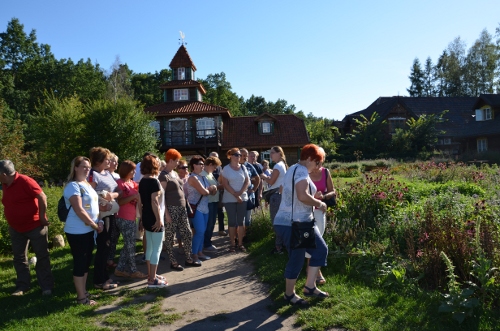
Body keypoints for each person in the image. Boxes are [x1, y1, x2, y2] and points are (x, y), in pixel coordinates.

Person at [273, 144, 329, 306]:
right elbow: (302, 196)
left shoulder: (293, 169)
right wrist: (319, 202)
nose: (319, 167)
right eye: (318, 163)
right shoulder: (302, 172)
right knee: (297, 259)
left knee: (320, 249)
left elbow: (290, 192)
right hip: (293, 224)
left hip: (299, 222)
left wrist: (312, 197)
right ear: (310, 159)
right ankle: (289, 294)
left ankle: (310, 287)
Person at [0, 160, 54, 296]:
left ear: (4, 174)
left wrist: (42, 216)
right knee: (19, 258)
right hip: (16, 228)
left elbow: (42, 196)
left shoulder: (25, 181)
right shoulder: (5, 183)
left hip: (35, 226)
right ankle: (22, 286)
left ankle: (46, 286)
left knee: (42, 256)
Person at [63, 156, 102, 305]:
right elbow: (79, 210)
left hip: (89, 230)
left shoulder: (86, 184)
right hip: (77, 231)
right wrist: (94, 225)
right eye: (84, 166)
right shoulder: (73, 186)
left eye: (89, 167)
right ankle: (81, 298)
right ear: (76, 168)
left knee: (86, 262)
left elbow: (93, 207)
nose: (87, 169)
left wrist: (98, 222)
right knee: (80, 263)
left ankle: (84, 292)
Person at [159, 149, 198, 269]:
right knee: (170, 237)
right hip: (171, 209)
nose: (178, 164)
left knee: (186, 233)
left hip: (181, 208)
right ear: (170, 160)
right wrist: (166, 214)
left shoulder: (174, 174)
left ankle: (188, 258)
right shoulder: (163, 175)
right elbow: (162, 196)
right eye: (176, 161)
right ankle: (173, 261)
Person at [88, 147, 120, 290]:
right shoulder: (93, 175)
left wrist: (112, 196)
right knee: (103, 246)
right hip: (101, 216)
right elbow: (88, 196)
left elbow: (118, 190)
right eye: (107, 159)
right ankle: (99, 280)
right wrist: (100, 207)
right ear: (99, 160)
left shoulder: (107, 173)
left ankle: (104, 276)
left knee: (108, 245)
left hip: (111, 213)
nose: (110, 161)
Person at [114, 160, 148, 279]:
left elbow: (140, 200)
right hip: (122, 216)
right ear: (126, 170)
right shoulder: (119, 183)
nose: (135, 172)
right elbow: (120, 202)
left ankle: (120, 269)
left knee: (128, 244)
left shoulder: (133, 183)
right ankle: (133, 270)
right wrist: (133, 196)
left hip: (132, 217)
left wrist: (141, 218)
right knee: (130, 244)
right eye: (132, 170)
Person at [138, 155, 168, 287]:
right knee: (157, 248)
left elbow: (140, 202)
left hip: (145, 216)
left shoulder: (142, 180)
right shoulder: (154, 181)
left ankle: (152, 275)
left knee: (149, 248)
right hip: (154, 217)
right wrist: (159, 219)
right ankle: (152, 280)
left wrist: (141, 218)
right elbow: (154, 201)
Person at [308, 148, 336, 285]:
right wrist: (312, 198)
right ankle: (316, 272)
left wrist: (323, 197)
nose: (317, 165)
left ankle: (311, 269)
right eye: (315, 162)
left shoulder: (325, 172)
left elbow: (333, 191)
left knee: (318, 239)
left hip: (320, 211)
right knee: (312, 241)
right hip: (306, 212)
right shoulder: (304, 174)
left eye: (319, 162)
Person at [186, 156, 217, 263]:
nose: (202, 165)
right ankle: (194, 254)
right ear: (194, 165)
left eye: (203, 163)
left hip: (205, 208)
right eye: (200, 163)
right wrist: (210, 189)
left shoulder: (203, 177)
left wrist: (210, 189)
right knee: (199, 231)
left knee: (203, 231)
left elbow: (213, 191)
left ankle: (199, 252)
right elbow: (204, 192)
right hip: (196, 207)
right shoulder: (193, 178)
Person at [221, 148, 250, 252]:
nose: (239, 156)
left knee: (241, 221)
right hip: (229, 198)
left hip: (243, 198)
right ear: (231, 156)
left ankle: (240, 243)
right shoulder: (226, 169)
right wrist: (235, 195)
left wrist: (241, 193)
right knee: (232, 221)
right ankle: (232, 244)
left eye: (239, 155)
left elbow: (247, 182)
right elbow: (225, 184)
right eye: (237, 155)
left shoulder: (243, 168)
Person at [262, 146, 288, 254]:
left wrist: (262, 175)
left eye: (273, 153)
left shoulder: (278, 165)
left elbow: (271, 181)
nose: (271, 155)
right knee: (281, 220)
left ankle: (279, 247)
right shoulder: (282, 165)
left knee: (276, 221)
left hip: (276, 196)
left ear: (279, 154)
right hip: (280, 194)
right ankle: (282, 244)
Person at [202, 156, 223, 252]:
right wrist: (215, 188)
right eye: (214, 167)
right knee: (209, 223)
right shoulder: (203, 174)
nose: (215, 169)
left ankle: (208, 242)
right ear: (210, 164)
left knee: (212, 222)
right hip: (208, 202)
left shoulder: (209, 174)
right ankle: (206, 244)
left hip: (214, 201)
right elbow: (206, 189)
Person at [239, 148, 260, 230]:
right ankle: (239, 237)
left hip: (249, 195)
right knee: (240, 218)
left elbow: (257, 178)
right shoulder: (234, 166)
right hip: (238, 195)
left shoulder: (249, 166)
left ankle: (247, 235)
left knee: (248, 218)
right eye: (243, 155)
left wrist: (254, 189)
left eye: (246, 155)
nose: (245, 157)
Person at [107, 152, 120, 268]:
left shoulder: (117, 176)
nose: (116, 163)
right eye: (113, 161)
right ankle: (107, 259)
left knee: (115, 234)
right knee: (108, 236)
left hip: (117, 209)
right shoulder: (104, 175)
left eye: (117, 161)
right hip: (106, 210)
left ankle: (111, 257)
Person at [209, 152, 227, 237]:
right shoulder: (207, 168)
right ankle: (209, 232)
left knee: (220, 212)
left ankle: (221, 229)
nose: (215, 159)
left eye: (216, 158)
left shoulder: (220, 168)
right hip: (210, 192)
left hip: (219, 192)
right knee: (211, 213)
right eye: (213, 157)